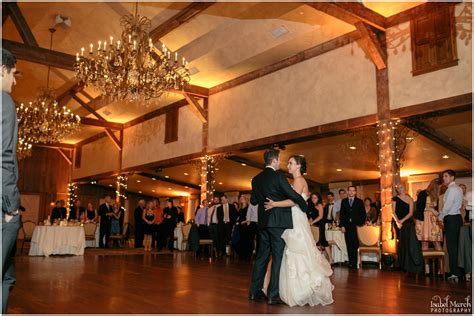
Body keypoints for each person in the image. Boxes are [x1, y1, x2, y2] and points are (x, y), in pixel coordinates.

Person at [263, 155, 333, 306]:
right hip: (295, 218)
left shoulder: (300, 180)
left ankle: (301, 290)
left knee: (297, 251)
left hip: (296, 220)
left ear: (298, 166)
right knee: (292, 252)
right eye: (288, 163)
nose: (288, 165)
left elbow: (293, 201)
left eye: (291, 163)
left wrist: (274, 204)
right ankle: (292, 289)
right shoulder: (295, 181)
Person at [248, 149, 310, 306]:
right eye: (280, 160)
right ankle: (272, 295)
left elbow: (254, 201)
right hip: (278, 223)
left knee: (261, 257)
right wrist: (304, 205)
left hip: (263, 224)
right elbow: (293, 194)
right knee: (277, 258)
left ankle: (254, 292)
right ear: (274, 161)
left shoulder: (255, 179)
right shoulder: (278, 176)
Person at [2, 48, 21, 314]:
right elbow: (4, 157)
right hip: (3, 206)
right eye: (13, 73)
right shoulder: (4, 102)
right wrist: (11, 207)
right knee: (5, 277)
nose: (15, 81)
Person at [438, 170, 464, 282]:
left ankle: (455, 273)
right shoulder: (457, 188)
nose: (444, 178)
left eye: (446, 176)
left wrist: (440, 217)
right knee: (457, 246)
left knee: (452, 247)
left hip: (451, 218)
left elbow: (448, 205)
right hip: (456, 218)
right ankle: (459, 271)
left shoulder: (452, 189)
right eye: (443, 176)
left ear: (452, 178)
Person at [392, 183, 423, 274]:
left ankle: (409, 265)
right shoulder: (395, 199)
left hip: (407, 223)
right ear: (397, 190)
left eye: (401, 187)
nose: (399, 189)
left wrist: (402, 221)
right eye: (398, 188)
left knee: (408, 242)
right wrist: (398, 221)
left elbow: (410, 213)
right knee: (400, 242)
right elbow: (393, 212)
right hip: (398, 223)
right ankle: (401, 265)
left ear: (404, 188)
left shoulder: (410, 199)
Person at [339, 186, 365, 269]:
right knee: (349, 244)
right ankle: (351, 262)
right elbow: (342, 215)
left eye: (353, 191)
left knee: (355, 244)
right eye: (349, 190)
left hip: (356, 226)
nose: (351, 192)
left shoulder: (359, 201)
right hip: (347, 226)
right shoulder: (344, 201)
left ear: (355, 192)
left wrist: (360, 224)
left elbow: (363, 214)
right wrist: (342, 225)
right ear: (348, 192)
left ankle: (355, 262)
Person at [414, 179, 443, 251]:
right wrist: (431, 210)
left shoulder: (436, 195)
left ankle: (440, 261)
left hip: (434, 219)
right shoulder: (423, 193)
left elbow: (436, 207)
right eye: (438, 188)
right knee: (424, 242)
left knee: (436, 241)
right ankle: (425, 262)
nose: (439, 189)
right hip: (424, 219)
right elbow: (419, 208)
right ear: (434, 187)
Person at [310, 193, 332, 264]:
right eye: (312, 198)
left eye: (315, 198)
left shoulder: (319, 205)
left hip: (320, 225)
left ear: (318, 198)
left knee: (323, 241)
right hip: (314, 226)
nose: (313, 199)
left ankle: (331, 259)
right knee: (316, 242)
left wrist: (312, 222)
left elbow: (321, 216)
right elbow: (311, 216)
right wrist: (309, 222)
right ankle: (318, 260)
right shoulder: (313, 206)